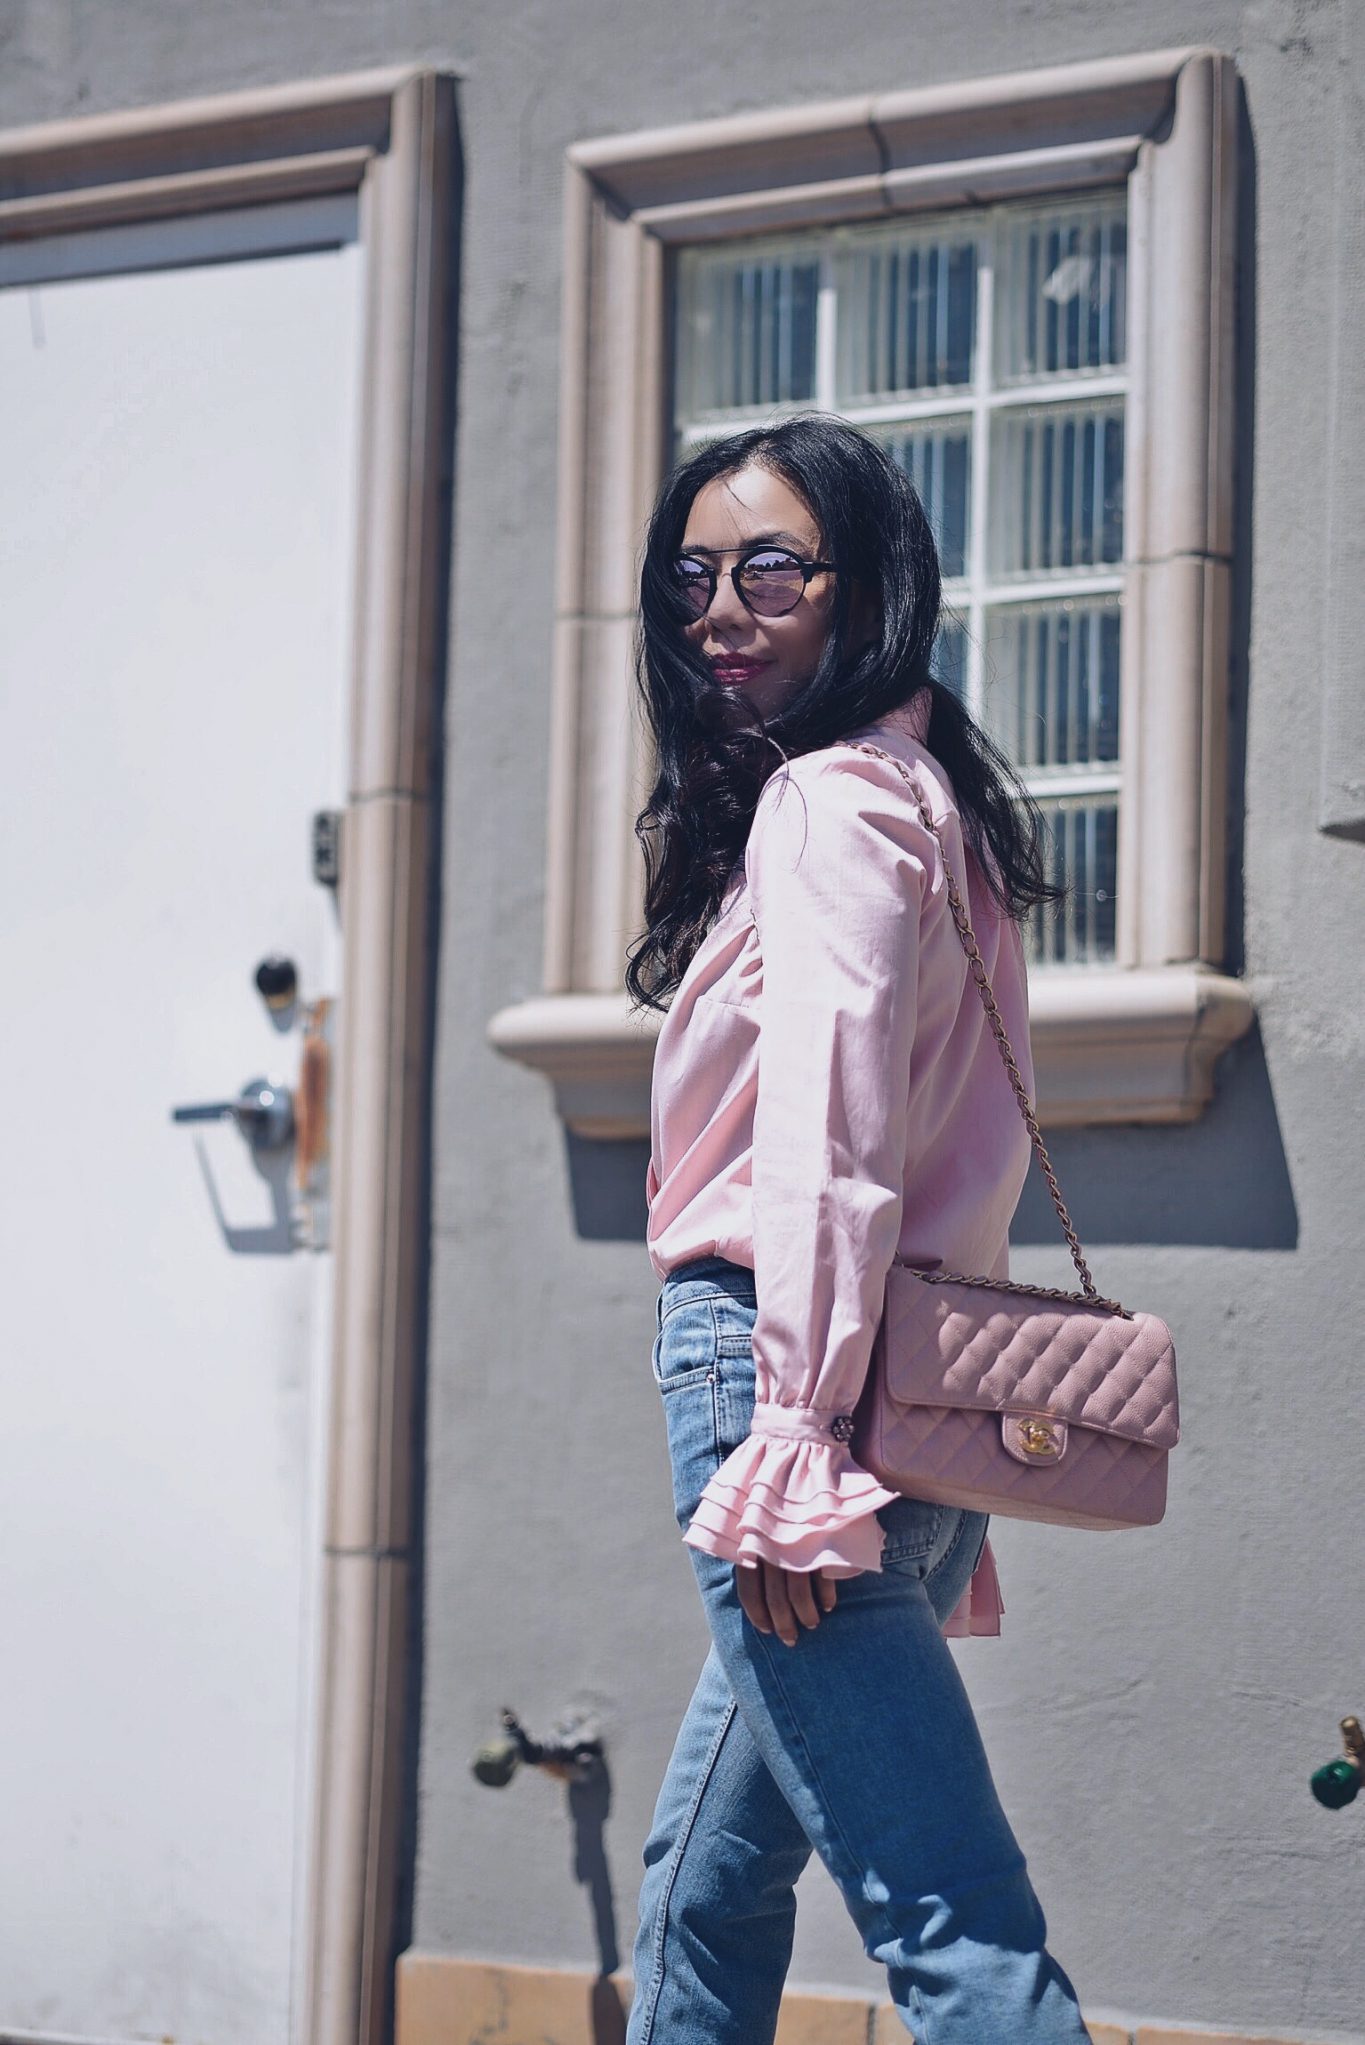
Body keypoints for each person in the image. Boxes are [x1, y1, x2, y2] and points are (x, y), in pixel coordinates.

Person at [622, 414, 1093, 2044]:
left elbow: (828, 1147)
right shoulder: (925, 791)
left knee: (942, 1906)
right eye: (691, 573)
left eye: (769, 567)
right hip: (912, 1375)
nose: (720, 608)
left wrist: (796, 1442)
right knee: (703, 1886)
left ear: (866, 580)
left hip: (795, 1375)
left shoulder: (828, 803)